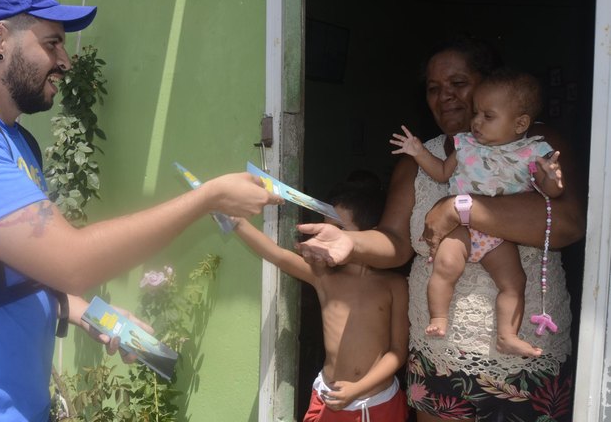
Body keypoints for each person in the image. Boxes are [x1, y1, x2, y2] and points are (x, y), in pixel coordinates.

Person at [0, 0, 282, 421]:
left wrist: (83, 311)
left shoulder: (12, 140)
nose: (65, 61)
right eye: (52, 44)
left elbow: (1, 271)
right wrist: (207, 199)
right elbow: (72, 262)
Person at [296, 35, 584, 421]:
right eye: (433, 88)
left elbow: (566, 224)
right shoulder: (418, 160)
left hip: (523, 359)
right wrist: (351, 242)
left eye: (458, 83)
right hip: (438, 352)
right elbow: (396, 242)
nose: (444, 95)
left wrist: (459, 208)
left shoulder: (535, 145)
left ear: (488, 85)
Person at [389, 69, 564, 358]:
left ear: (520, 123)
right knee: (445, 266)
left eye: (488, 116)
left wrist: (553, 179)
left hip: (500, 232)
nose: (476, 122)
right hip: (460, 229)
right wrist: (418, 152)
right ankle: (439, 318)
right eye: (476, 113)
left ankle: (507, 336)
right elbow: (442, 173)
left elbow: (550, 194)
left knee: (514, 282)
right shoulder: (465, 145)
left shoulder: (532, 153)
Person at [234, 174, 409, 422]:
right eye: (326, 226)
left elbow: (398, 352)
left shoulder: (395, 285)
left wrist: (357, 389)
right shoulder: (324, 278)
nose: (328, 237)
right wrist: (236, 222)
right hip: (328, 398)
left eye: (339, 228)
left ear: (370, 235)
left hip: (376, 404)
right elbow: (278, 255)